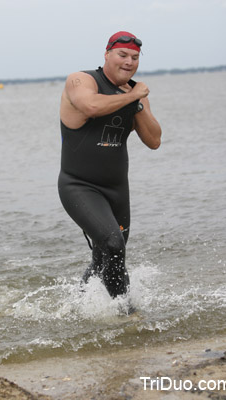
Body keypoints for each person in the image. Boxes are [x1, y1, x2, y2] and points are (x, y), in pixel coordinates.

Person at [58, 31, 161, 300]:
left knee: (107, 255)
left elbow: (154, 140)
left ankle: (78, 305)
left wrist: (137, 102)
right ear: (107, 54)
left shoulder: (135, 94)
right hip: (79, 185)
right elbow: (91, 106)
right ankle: (125, 314)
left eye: (135, 58)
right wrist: (132, 96)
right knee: (113, 245)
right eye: (122, 55)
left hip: (117, 191)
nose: (129, 62)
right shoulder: (81, 80)